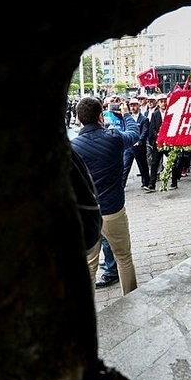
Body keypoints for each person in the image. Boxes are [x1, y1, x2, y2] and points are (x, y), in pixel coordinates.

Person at [71, 96, 140, 294]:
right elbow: (134, 134)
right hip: (113, 211)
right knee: (124, 258)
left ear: (78, 118)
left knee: (89, 266)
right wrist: (126, 114)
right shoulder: (114, 138)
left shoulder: (73, 147)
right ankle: (133, 299)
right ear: (101, 116)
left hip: (87, 216)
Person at [122, 97, 151, 189]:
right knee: (125, 166)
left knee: (143, 166)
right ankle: (121, 185)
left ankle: (146, 183)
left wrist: (139, 141)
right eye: (131, 105)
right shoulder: (127, 118)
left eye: (134, 105)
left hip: (139, 146)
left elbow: (145, 132)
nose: (132, 107)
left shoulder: (144, 119)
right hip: (129, 147)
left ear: (138, 106)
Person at [145, 93, 169, 192]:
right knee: (154, 163)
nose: (163, 103)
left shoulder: (170, 112)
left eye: (164, 101)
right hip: (158, 142)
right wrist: (158, 135)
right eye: (161, 101)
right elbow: (152, 128)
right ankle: (152, 184)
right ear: (158, 103)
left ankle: (174, 181)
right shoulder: (155, 114)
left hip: (168, 142)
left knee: (173, 160)